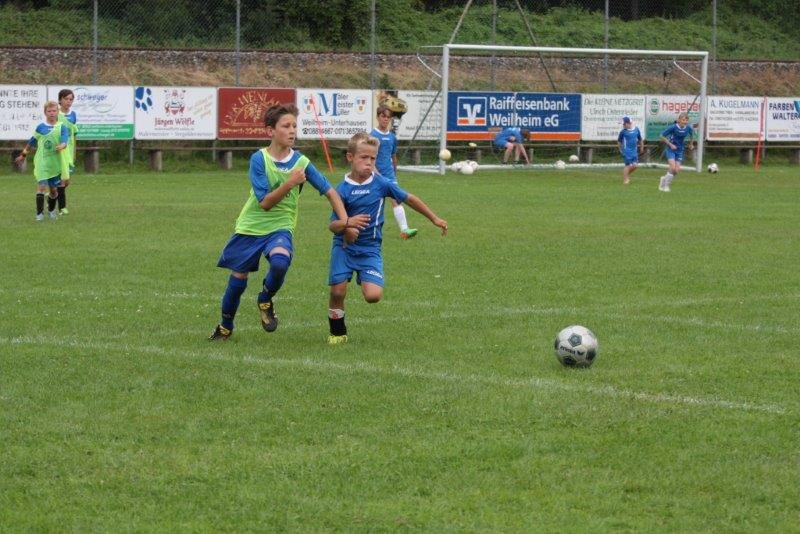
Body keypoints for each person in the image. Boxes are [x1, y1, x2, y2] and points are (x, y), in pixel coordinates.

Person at [208, 103, 368, 341]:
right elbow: (265, 203)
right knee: (238, 277)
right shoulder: (259, 159)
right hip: (250, 226)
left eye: (294, 125)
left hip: (281, 227)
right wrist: (290, 183)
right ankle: (225, 327)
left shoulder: (301, 162)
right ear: (270, 131)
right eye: (286, 126)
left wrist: (345, 223)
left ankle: (265, 298)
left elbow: (330, 192)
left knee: (280, 262)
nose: (292, 130)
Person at [326, 132, 448, 345]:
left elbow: (409, 198)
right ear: (350, 157)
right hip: (344, 247)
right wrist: (347, 224)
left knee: (373, 296)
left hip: (370, 249)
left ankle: (364, 275)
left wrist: (434, 218)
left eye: (372, 158)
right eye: (364, 157)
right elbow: (332, 225)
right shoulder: (342, 189)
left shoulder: (381, 183)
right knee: (337, 291)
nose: (369, 162)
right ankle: (337, 332)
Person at [14, 101, 69, 222]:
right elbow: (32, 142)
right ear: (45, 113)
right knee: (41, 187)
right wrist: (23, 155)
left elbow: (65, 139)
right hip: (42, 162)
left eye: (54, 111)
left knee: (53, 191)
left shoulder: (62, 127)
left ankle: (51, 210)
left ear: (57, 112)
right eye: (49, 111)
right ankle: (39, 214)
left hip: (55, 164)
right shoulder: (41, 127)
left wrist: (63, 145)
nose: (52, 113)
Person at [370, 105, 417, 240]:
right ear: (378, 117)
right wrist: (376, 173)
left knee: (396, 200)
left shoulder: (392, 137)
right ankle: (367, 229)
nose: (385, 119)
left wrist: (394, 172)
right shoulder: (372, 136)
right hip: (375, 175)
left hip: (389, 175)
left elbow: (393, 156)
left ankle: (405, 230)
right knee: (373, 203)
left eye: (388, 117)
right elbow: (370, 158)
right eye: (383, 116)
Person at [658, 112, 695, 192]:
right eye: (683, 120)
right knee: (672, 167)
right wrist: (670, 144)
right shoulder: (673, 127)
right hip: (671, 149)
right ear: (679, 120)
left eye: (686, 120)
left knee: (676, 170)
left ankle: (664, 179)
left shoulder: (688, 128)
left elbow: (692, 135)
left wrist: (691, 144)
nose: (685, 122)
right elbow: (661, 136)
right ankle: (666, 186)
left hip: (680, 150)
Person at [56, 89, 78, 215]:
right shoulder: (56, 114)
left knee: (67, 181)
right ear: (60, 100)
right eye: (66, 99)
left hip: (69, 151)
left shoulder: (73, 115)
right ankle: (62, 208)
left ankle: (52, 195)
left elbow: (74, 135)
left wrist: (74, 152)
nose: (68, 101)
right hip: (59, 150)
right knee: (61, 180)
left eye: (71, 99)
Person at [617, 116, 644, 185]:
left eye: (624, 124)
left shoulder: (636, 129)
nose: (623, 125)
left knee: (635, 166)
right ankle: (625, 180)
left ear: (629, 123)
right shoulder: (623, 132)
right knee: (628, 165)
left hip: (634, 151)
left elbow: (640, 139)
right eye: (623, 124)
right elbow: (619, 142)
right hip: (627, 151)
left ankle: (626, 175)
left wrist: (642, 147)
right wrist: (620, 149)